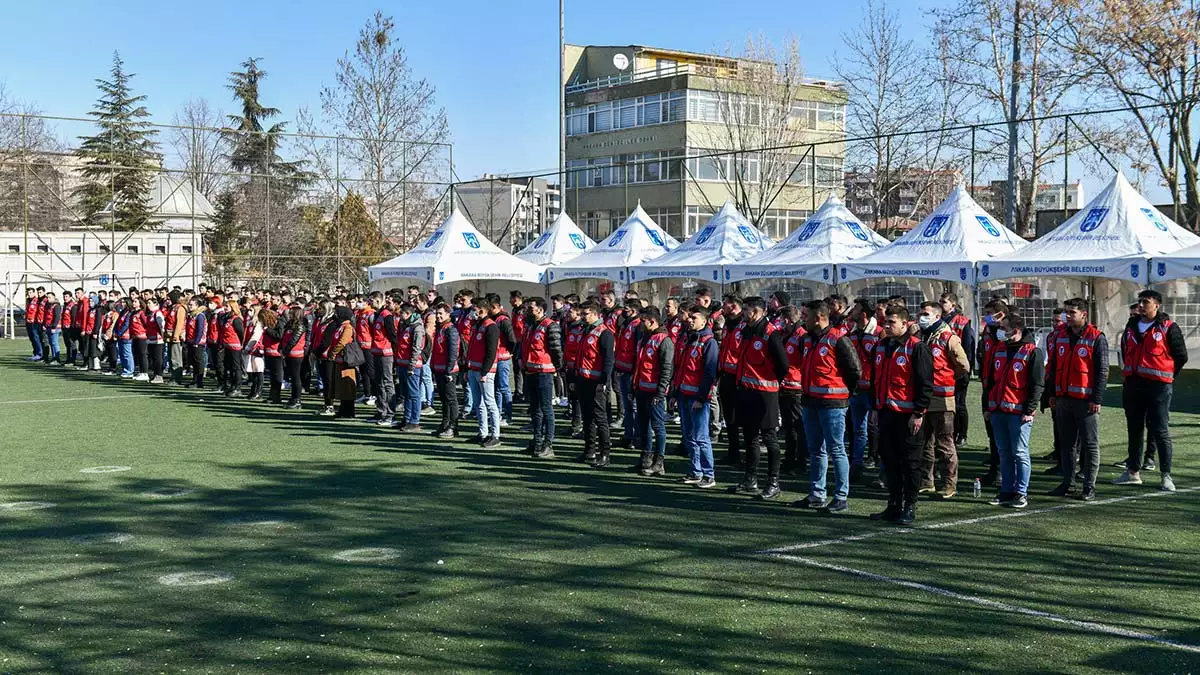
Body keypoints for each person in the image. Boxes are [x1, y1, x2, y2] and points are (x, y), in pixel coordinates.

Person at [1115, 289, 1187, 491]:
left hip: (1158, 387)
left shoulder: (1168, 327)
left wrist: (1168, 376)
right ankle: (1132, 472)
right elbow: (1125, 351)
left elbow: (1181, 355)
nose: (1141, 305)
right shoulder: (1131, 326)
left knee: (1160, 430)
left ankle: (1166, 476)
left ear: (1157, 305)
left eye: (1145, 302)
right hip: (1133, 385)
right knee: (1134, 430)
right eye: (1139, 302)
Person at [869, 305, 934, 525]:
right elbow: (874, 381)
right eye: (885, 322)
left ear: (905, 324)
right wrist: (876, 408)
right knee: (889, 461)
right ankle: (893, 504)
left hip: (908, 416)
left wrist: (918, 413)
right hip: (886, 413)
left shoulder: (916, 348)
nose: (886, 326)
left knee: (910, 463)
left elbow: (925, 384)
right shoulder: (880, 346)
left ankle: (910, 506)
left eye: (892, 322)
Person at [795, 300, 861, 513]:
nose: (803, 319)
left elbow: (854, 370)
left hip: (833, 403)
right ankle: (817, 493)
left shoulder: (838, 339)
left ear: (819, 318)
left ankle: (841, 496)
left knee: (836, 449)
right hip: (810, 401)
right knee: (816, 450)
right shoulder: (808, 340)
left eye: (807, 316)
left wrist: (844, 393)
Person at [1042, 297, 1108, 501]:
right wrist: (1051, 394)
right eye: (1066, 312)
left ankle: (1089, 487)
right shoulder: (1059, 336)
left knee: (1090, 444)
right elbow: (1052, 367)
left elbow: (1102, 371)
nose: (1067, 316)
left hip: (1085, 400)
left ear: (1084, 314)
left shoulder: (1096, 337)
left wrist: (1096, 398)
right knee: (1066, 444)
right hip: (1063, 399)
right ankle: (1068, 483)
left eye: (1072, 312)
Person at [730, 296, 789, 500]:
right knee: (750, 438)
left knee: (769, 438)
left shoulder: (770, 334)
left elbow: (783, 365)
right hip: (747, 392)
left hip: (766, 395)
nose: (742, 313)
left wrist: (769, 381)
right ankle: (750, 479)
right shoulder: (748, 331)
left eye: (745, 310)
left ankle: (773, 482)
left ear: (755, 312)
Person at [984, 312, 1045, 509]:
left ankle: (1021, 493)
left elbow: (1037, 384)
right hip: (999, 409)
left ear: (1015, 331)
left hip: (1019, 412)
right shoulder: (999, 349)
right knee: (1004, 452)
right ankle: (1006, 490)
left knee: (1020, 452)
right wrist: (988, 406)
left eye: (1003, 328)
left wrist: (1030, 409)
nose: (1000, 332)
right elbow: (991, 381)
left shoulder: (1032, 351)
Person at [916, 301, 970, 498]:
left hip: (943, 399)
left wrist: (947, 377)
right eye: (920, 313)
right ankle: (926, 481)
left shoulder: (948, 338)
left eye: (925, 314)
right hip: (923, 399)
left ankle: (949, 484)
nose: (921, 317)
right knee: (924, 442)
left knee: (945, 443)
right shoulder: (922, 336)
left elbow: (963, 365)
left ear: (937, 316)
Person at [674, 305, 719, 488]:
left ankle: (709, 475)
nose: (690, 320)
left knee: (701, 437)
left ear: (705, 321)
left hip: (697, 399)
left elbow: (709, 373)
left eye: (694, 317)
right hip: (684, 395)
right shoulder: (688, 339)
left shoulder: (709, 342)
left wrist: (701, 398)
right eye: (690, 317)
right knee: (689, 436)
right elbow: (681, 369)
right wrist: (674, 393)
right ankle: (695, 471)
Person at [632, 306, 674, 476]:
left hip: (654, 391)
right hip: (641, 389)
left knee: (658, 426)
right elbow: (639, 365)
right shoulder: (644, 338)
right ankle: (646, 457)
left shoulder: (664, 340)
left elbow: (667, 368)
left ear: (652, 321)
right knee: (643, 425)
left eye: (643, 321)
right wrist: (632, 387)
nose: (640, 324)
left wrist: (660, 392)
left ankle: (659, 461)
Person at [521, 296, 563, 458]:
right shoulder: (530, 325)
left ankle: (548, 444)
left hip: (544, 373)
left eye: (531, 308)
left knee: (546, 409)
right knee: (535, 409)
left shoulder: (550, 326)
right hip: (530, 371)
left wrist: (558, 368)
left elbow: (556, 349)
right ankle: (537, 441)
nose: (528, 310)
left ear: (540, 309)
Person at [575, 301, 615, 467]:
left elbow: (608, 360)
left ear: (595, 314)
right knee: (587, 417)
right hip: (583, 380)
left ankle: (605, 454)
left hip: (596, 382)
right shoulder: (586, 330)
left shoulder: (604, 333)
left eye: (585, 314)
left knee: (600, 418)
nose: (582, 317)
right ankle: (589, 451)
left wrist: (604, 381)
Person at [845, 299, 879, 482]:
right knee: (858, 430)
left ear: (864, 313)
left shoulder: (878, 333)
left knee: (879, 430)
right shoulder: (852, 334)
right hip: (857, 390)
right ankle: (856, 467)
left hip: (874, 390)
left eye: (856, 308)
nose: (852, 311)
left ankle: (883, 471)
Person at [977, 298, 1009, 487]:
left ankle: (1004, 472)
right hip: (988, 388)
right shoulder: (988, 333)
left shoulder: (1007, 334)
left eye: (990, 314)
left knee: (1004, 435)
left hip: (1003, 390)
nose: (987, 318)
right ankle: (995, 469)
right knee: (992, 432)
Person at [939, 293, 975, 448]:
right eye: (940, 301)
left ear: (953, 305)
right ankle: (950, 432)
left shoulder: (962, 322)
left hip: (959, 369)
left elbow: (968, 348)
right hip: (943, 369)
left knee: (960, 404)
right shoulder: (938, 319)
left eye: (944, 302)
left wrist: (965, 371)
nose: (941, 304)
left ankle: (962, 434)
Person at [466, 304, 502, 448]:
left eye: (475, 310)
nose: (472, 313)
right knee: (478, 403)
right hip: (473, 368)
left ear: (482, 310)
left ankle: (495, 435)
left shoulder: (490, 326)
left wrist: (485, 371)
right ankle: (483, 433)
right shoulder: (477, 325)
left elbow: (491, 351)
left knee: (489, 402)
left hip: (484, 371)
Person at [716, 294, 745, 465]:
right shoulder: (728, 323)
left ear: (734, 306)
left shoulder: (744, 325)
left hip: (740, 378)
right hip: (726, 376)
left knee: (743, 417)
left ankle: (746, 454)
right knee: (730, 417)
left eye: (725, 304)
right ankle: (733, 452)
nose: (722, 307)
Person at [613, 299, 643, 448]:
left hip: (632, 372)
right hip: (623, 369)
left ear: (634, 310)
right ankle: (628, 434)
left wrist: (635, 372)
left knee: (634, 405)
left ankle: (637, 436)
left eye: (626, 309)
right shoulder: (626, 324)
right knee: (628, 405)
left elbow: (638, 351)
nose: (623, 311)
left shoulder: (638, 326)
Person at [394, 302, 427, 432]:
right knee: (406, 393)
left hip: (412, 365)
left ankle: (415, 421)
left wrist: (412, 365)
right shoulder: (404, 325)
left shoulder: (417, 327)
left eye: (401, 313)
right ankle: (407, 419)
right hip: (402, 363)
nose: (399, 316)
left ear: (407, 314)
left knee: (414, 394)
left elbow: (416, 348)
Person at [430, 303, 461, 439]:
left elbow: (453, 352)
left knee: (450, 399)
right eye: (437, 313)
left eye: (441, 313)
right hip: (439, 369)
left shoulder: (451, 329)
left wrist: (449, 370)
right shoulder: (441, 328)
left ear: (449, 314)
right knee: (443, 399)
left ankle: (453, 427)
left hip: (448, 370)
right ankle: (445, 423)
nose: (438, 316)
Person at [487, 294, 518, 427]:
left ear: (495, 307)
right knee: (496, 388)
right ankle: (498, 413)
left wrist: (509, 352)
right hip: (494, 358)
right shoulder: (492, 319)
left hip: (503, 358)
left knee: (504, 387)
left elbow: (512, 339)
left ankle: (508, 415)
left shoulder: (503, 320)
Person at [368, 293, 398, 426]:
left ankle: (390, 414)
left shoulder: (387, 316)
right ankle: (381, 411)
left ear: (378, 300)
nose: (369, 302)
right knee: (378, 383)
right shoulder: (377, 315)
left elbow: (392, 335)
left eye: (371, 300)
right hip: (377, 352)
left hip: (386, 354)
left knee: (387, 383)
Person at [327, 306, 358, 418]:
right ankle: (343, 409)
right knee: (341, 387)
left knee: (348, 387)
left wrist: (333, 352)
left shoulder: (348, 327)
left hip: (347, 361)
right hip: (339, 361)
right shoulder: (341, 327)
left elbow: (342, 342)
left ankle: (349, 411)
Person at [281, 307, 307, 409]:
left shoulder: (300, 325)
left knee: (296, 377)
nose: (289, 314)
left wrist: (285, 350)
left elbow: (293, 340)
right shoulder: (290, 324)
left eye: (291, 313)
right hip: (289, 353)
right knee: (293, 376)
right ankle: (293, 397)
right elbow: (284, 337)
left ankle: (297, 399)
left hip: (296, 354)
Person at [219, 301, 246, 397]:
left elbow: (241, 333)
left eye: (227, 306)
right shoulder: (226, 318)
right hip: (227, 346)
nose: (225, 308)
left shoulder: (236, 319)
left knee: (236, 367)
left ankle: (237, 387)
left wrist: (240, 344)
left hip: (235, 347)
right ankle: (231, 385)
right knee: (229, 367)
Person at [185, 297, 208, 388]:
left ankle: (199, 381)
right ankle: (194, 380)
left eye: (191, 305)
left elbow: (200, 330)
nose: (189, 306)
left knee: (198, 362)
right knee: (193, 362)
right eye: (189, 304)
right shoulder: (192, 315)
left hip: (198, 342)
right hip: (191, 341)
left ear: (197, 306)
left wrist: (197, 341)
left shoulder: (200, 316)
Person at [144, 299, 166, 384]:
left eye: (149, 303)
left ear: (155, 304)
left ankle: (159, 375)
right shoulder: (150, 314)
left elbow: (161, 326)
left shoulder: (158, 313)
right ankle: (155, 374)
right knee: (153, 358)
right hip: (150, 339)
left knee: (158, 358)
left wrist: (162, 336)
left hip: (158, 340)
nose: (148, 304)